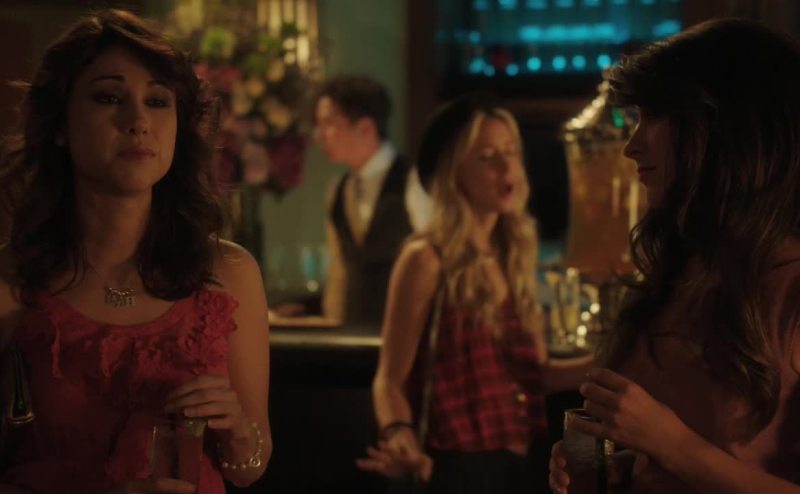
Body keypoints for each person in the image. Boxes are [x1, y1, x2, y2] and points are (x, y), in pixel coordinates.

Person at [0, 9, 271, 494]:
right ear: (60, 124)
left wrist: (236, 429)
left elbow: (250, 468)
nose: (139, 121)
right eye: (109, 97)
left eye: (158, 101)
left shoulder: (229, 272)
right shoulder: (13, 278)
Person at [549, 18, 800, 494]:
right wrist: (621, 462)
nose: (631, 146)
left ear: (725, 129)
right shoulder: (681, 273)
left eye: (653, 117)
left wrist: (671, 446)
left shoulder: (790, 290)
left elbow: (680, 444)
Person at [355, 93, 592, 493]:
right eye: (486, 157)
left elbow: (537, 374)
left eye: (511, 152)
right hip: (457, 467)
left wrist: (611, 359)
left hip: (524, 464)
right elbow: (389, 378)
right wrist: (399, 434)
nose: (506, 167)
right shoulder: (426, 258)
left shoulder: (512, 256)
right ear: (453, 172)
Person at [312, 75, 431, 326]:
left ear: (365, 127)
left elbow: (434, 265)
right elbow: (339, 272)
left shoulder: (413, 182)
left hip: (406, 331)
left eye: (328, 124)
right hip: (353, 334)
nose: (319, 136)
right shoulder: (338, 190)